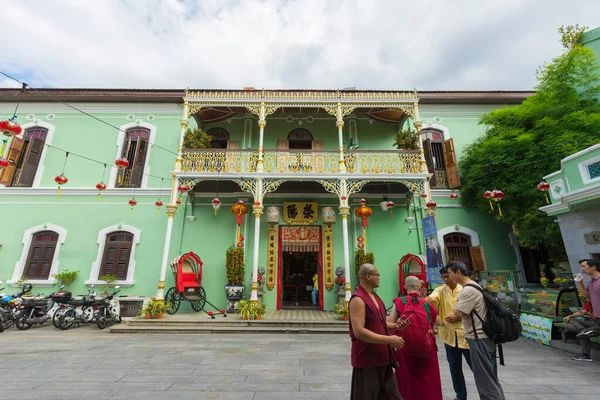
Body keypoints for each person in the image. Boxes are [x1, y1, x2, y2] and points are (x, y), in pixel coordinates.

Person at [445, 261, 506, 400]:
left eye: (450, 274)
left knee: (484, 379)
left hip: (479, 338)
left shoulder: (468, 290)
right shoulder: (475, 286)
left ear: (458, 272)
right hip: (483, 337)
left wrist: (456, 311)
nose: (449, 278)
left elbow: (457, 312)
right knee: (490, 376)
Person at [348, 263, 408, 400]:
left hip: (383, 358)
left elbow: (379, 324)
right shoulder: (358, 299)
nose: (379, 277)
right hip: (367, 360)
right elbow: (359, 332)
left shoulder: (375, 297)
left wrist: (396, 326)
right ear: (368, 276)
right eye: (377, 274)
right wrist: (390, 340)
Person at [389, 276, 442, 400]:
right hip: (426, 347)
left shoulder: (399, 302)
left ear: (405, 287)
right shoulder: (426, 303)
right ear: (420, 287)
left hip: (404, 345)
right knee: (428, 380)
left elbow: (390, 323)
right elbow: (439, 322)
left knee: (407, 379)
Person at [427, 266, 472, 400]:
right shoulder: (440, 290)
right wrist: (417, 298)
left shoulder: (465, 289)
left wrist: (458, 316)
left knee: (477, 368)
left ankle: (486, 393)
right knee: (454, 368)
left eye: (448, 276)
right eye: (443, 277)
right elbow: (431, 299)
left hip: (466, 335)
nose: (446, 280)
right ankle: (460, 395)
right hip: (449, 336)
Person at [572, 259, 600, 362]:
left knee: (588, 331)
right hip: (596, 317)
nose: (582, 269)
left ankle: (588, 332)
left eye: (584, 266)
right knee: (583, 331)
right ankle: (585, 354)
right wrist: (580, 283)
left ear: (593, 267)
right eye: (581, 267)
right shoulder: (592, 281)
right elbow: (587, 296)